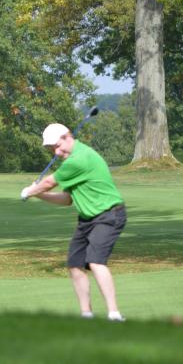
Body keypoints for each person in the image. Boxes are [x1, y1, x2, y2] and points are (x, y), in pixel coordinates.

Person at [21, 123, 127, 321]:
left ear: (67, 136)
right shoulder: (72, 161)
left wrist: (30, 191)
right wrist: (38, 194)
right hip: (87, 218)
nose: (56, 152)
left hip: (109, 214)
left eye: (57, 146)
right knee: (74, 264)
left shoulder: (79, 159)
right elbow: (67, 199)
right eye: (52, 149)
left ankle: (114, 314)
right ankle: (86, 314)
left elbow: (49, 182)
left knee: (95, 261)